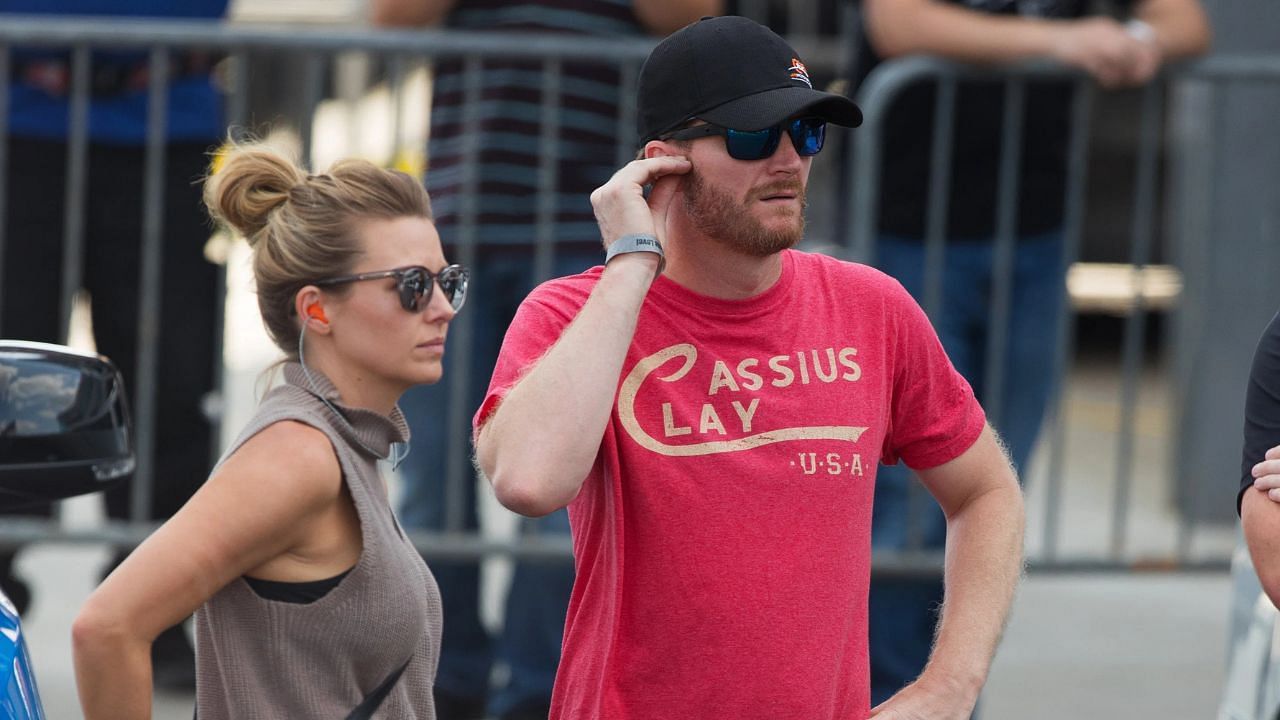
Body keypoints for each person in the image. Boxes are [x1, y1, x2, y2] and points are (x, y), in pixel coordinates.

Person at [474, 15, 1025, 719]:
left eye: (808, 133)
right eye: (753, 136)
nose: (790, 160)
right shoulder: (575, 314)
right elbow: (529, 481)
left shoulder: (870, 307)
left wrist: (949, 687)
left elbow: (986, 492)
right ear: (663, 161)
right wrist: (632, 262)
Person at [850, 0, 1211, 707]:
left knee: (992, 488)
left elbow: (1187, 24)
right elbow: (896, 22)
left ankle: (951, 697)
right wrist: (1063, 42)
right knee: (910, 505)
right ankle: (891, 699)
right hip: (912, 231)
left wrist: (1129, 40)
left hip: (1036, 231)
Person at [369, 2, 720, 717]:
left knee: (560, 490)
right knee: (433, 476)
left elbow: (691, 18)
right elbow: (393, 14)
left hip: (583, 236)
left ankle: (539, 689)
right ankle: (443, 680)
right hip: (462, 230)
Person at [71, 144, 465, 718]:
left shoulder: (347, 442)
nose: (442, 308)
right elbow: (106, 627)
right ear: (317, 310)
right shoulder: (297, 456)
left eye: (446, 280)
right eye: (411, 285)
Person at [0, 0, 229, 689]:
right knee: (9, 378)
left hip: (167, 120)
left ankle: (154, 608)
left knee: (169, 381)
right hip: (24, 117)